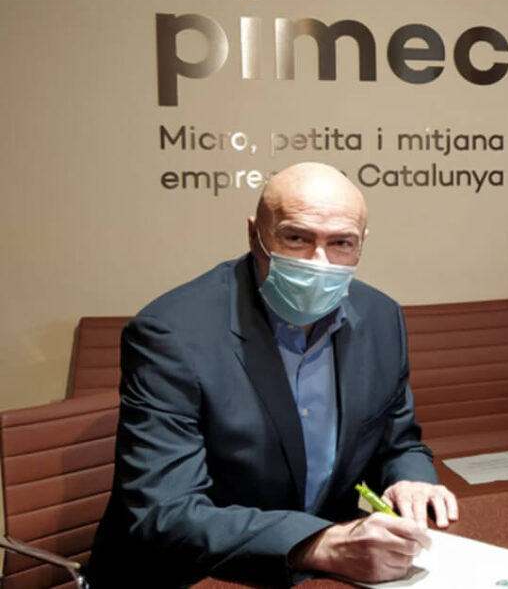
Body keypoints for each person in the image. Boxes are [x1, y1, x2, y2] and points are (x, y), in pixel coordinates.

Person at [88, 162, 458, 587]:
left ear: (361, 244)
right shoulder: (171, 334)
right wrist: (320, 543)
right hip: (201, 575)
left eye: (341, 243)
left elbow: (398, 442)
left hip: (325, 575)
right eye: (296, 238)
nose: (319, 262)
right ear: (255, 234)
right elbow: (166, 513)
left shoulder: (381, 317)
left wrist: (411, 480)